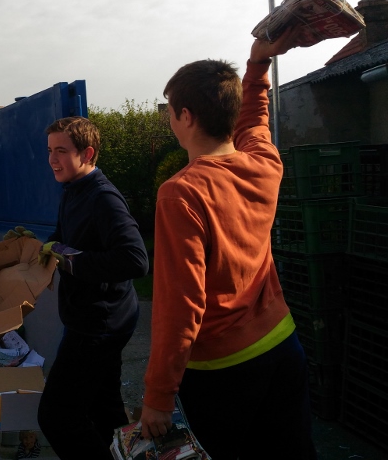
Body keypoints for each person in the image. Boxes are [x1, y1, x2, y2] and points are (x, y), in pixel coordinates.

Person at [140, 28, 317, 459]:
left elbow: (180, 304)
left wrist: (159, 395)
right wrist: (257, 64)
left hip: (223, 372)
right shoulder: (264, 163)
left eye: (170, 111)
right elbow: (255, 121)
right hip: (283, 346)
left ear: (186, 117)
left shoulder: (181, 193)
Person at [37, 116, 149, 460]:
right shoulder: (72, 189)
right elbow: (64, 236)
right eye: (49, 150)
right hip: (91, 318)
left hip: (99, 325)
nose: (52, 159)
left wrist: (68, 258)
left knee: (57, 417)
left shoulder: (103, 198)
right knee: (106, 410)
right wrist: (38, 246)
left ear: (87, 153)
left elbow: (135, 259)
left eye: (61, 151)